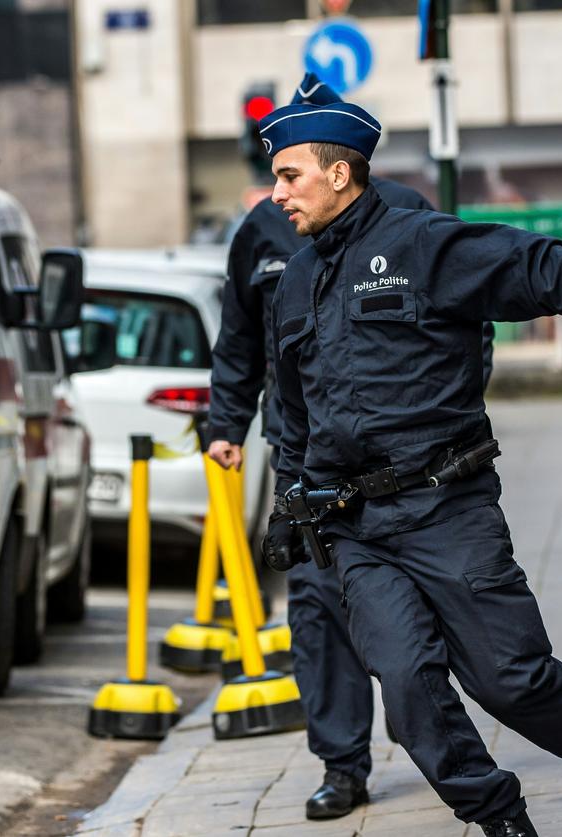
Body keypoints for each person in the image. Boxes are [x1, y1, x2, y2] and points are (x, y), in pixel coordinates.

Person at [257, 95, 562, 837]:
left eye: (288, 176)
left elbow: (543, 271)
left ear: (341, 172)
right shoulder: (292, 283)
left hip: (448, 508)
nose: (276, 193)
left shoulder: (423, 245)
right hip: (356, 528)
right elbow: (290, 408)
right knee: (407, 682)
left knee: (512, 682)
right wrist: (290, 500)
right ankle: (502, 819)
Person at [207, 73, 497, 823]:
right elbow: (240, 342)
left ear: (340, 157)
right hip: (305, 457)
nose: (280, 179)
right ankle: (342, 763)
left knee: (422, 613)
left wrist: (452, 403)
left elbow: (470, 318)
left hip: (409, 470)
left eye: (292, 156)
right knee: (317, 606)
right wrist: (224, 428)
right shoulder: (264, 232)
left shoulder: (406, 216)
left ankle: (446, 725)